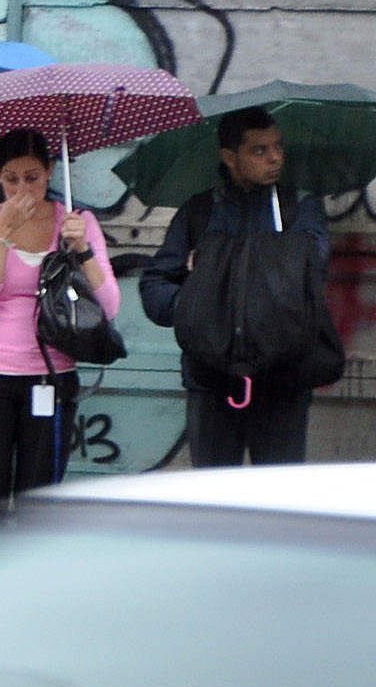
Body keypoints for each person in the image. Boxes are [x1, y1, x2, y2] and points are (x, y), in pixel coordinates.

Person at [141, 105, 336, 467]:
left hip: (284, 382)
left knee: (278, 500)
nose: (275, 158)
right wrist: (196, 304)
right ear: (230, 157)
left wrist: (214, 270)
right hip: (212, 381)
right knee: (213, 500)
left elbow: (308, 268)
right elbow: (155, 285)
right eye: (259, 150)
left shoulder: (299, 208)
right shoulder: (200, 212)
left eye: (278, 146)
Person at [0, 129, 119, 518]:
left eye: (32, 177)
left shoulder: (77, 223)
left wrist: (83, 250)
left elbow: (108, 306)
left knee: (39, 505)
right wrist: (2, 236)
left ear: (50, 171)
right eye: (11, 179)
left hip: (51, 376)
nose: (22, 189)